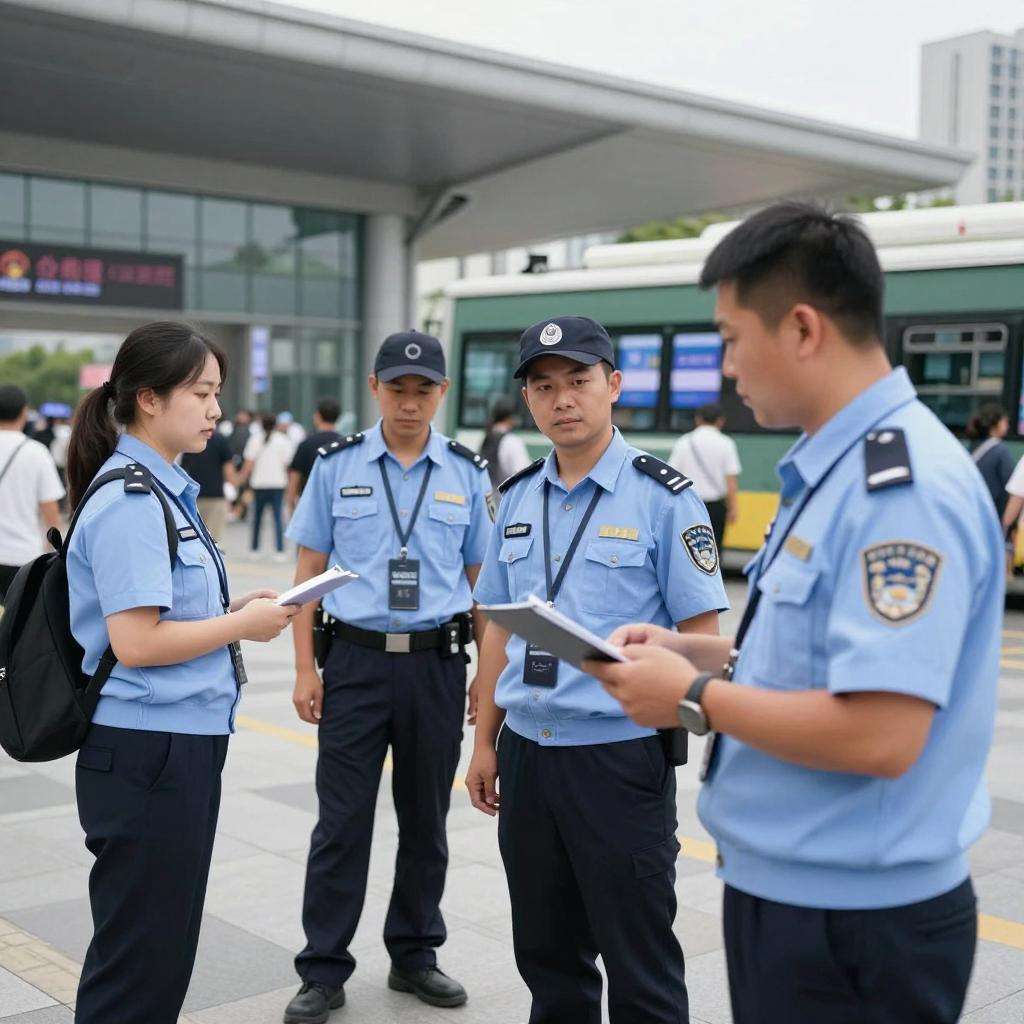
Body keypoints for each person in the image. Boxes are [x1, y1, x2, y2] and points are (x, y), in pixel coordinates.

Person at [585, 203, 1002, 1024]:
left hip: (855, 925)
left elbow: (881, 734)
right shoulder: (841, 469)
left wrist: (691, 698)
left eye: (733, 338)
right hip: (805, 897)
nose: (726, 367)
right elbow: (819, 656)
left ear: (803, 329)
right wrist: (693, 653)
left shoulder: (900, 489)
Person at [466, 315, 728, 1024]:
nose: (562, 400)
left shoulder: (663, 496)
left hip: (618, 760)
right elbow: (494, 629)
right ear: (527, 400)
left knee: (639, 958)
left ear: (613, 384)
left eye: (579, 381)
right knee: (548, 957)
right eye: (544, 387)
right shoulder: (515, 496)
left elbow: (703, 640)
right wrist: (485, 740)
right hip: (528, 755)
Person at [63, 321, 298, 1024]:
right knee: (141, 960)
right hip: (149, 752)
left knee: (156, 950)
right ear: (149, 399)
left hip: (173, 745)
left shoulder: (164, 493)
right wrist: (241, 626)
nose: (216, 410)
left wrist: (233, 606)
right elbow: (136, 642)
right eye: (201, 393)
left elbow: (162, 614)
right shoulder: (134, 499)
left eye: (217, 393)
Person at [282, 330, 492, 1022]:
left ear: (442, 393)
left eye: (422, 390)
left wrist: (485, 684)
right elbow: (307, 575)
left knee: (426, 821)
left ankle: (414, 954)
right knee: (341, 822)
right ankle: (323, 967)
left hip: (436, 664)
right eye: (397, 389)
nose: (409, 402)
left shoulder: (466, 471)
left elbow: (482, 587)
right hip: (355, 664)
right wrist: (305, 668)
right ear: (374, 388)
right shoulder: (336, 466)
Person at [0, 384, 65, 603]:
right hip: (22, 557)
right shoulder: (36, 452)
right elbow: (50, 512)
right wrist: (51, 550)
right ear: (24, 412)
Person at [668, 402, 741, 551]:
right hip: (716, 507)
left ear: (698, 419)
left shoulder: (684, 442)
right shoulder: (726, 443)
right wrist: (733, 508)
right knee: (714, 549)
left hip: (688, 504)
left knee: (686, 549)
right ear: (720, 421)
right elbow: (731, 480)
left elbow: (672, 474)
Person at [242, 412, 293, 560]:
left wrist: (242, 479)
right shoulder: (283, 440)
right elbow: (287, 464)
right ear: (276, 424)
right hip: (277, 483)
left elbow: (249, 463)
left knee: (257, 518)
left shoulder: (255, 439)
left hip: (259, 484)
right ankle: (280, 550)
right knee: (278, 518)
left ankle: (254, 549)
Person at [180, 424, 235, 545]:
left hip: (194, 497)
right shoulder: (220, 439)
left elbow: (183, 469)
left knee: (195, 539)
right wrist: (234, 486)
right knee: (213, 540)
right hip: (216, 496)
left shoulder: (191, 440)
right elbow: (228, 469)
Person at [287, 397, 342, 514]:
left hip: (310, 504)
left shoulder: (306, 444)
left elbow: (294, 477)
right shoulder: (345, 444)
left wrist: (291, 504)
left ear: (318, 416)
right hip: (339, 505)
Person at [966, 402, 1015, 521]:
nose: (1008, 426)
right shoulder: (1000, 450)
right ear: (996, 424)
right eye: (1005, 422)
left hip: (973, 512)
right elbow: (1010, 486)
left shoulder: (972, 447)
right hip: (993, 515)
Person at [479, 394, 532, 489]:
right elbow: (524, 477)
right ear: (510, 417)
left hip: (489, 499)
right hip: (506, 500)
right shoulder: (512, 442)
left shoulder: (487, 438)